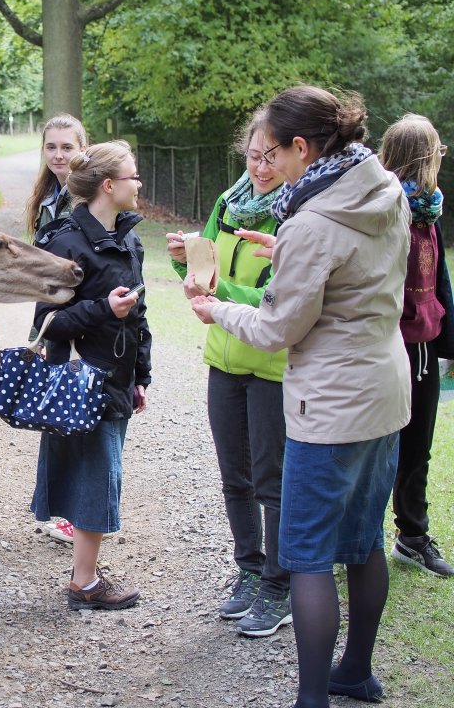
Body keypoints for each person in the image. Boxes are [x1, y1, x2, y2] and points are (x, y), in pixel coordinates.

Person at [190, 86, 410, 707]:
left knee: (308, 556)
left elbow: (278, 328)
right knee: (364, 542)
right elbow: (355, 270)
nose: (270, 166)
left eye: (275, 155)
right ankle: (355, 671)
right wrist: (283, 250)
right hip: (384, 394)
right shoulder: (383, 190)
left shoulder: (312, 222)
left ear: (302, 147)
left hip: (331, 407)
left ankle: (311, 698)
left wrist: (216, 309)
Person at [165, 110, 292, 636]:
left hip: (271, 365)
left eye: (271, 157)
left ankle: (279, 587)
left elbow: (279, 297)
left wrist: (221, 297)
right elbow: (205, 275)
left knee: (271, 480)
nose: (260, 168)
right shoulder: (228, 201)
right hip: (223, 358)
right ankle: (249, 571)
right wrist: (184, 261)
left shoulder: (297, 213)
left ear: (292, 155)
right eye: (254, 155)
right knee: (234, 477)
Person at [32, 141, 151, 611]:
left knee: (99, 477)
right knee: (97, 478)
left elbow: (140, 316)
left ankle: (85, 577)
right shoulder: (66, 243)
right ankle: (84, 583)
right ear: (108, 185)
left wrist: (141, 375)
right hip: (81, 382)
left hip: (117, 379)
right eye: (132, 176)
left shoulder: (129, 238)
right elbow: (47, 322)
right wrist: (103, 309)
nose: (138, 184)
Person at [379, 114, 454, 578]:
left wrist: (449, 343)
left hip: (423, 346)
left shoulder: (428, 211)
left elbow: (439, 278)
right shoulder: (385, 211)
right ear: (424, 157)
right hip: (387, 347)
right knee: (374, 448)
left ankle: (412, 536)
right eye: (437, 151)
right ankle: (358, 540)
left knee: (417, 448)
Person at [23, 113, 88, 544]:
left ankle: (79, 509)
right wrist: (39, 335)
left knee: (80, 416)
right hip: (55, 321)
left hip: (85, 320)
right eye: (52, 147)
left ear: (83, 148)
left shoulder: (89, 196)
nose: (59, 155)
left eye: (68, 147)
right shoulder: (47, 200)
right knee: (57, 416)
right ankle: (57, 510)